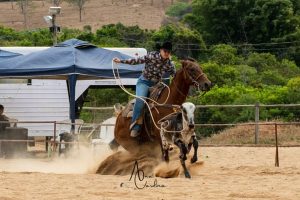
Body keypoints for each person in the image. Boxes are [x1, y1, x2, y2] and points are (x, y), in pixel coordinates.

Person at [113, 41, 176, 137]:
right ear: (161, 50)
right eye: (165, 51)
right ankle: (135, 126)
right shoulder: (151, 56)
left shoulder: (170, 64)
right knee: (141, 100)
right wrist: (121, 61)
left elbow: (175, 76)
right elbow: (136, 61)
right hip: (144, 82)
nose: (167, 53)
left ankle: (165, 126)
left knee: (164, 102)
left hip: (157, 85)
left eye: (168, 52)